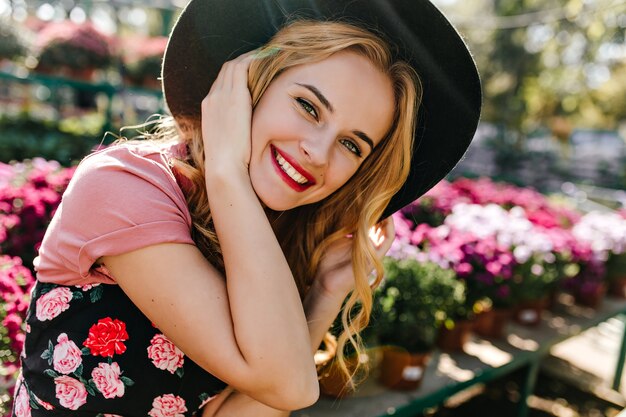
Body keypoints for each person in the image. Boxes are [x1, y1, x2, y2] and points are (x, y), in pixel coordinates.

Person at [12, 0, 481, 416]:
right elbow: (290, 384)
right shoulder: (124, 187)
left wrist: (326, 293)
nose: (318, 152)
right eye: (309, 107)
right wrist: (226, 169)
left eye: (352, 145)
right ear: (247, 84)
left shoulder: (262, 235)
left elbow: (251, 405)